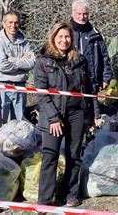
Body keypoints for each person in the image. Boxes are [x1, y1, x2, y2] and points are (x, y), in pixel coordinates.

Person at [35, 22, 99, 207]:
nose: (64, 40)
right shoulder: (43, 61)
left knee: (74, 155)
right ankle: (45, 200)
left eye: (67, 37)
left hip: (76, 113)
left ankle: (70, 193)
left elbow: (89, 88)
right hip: (52, 115)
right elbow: (41, 93)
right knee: (50, 156)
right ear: (53, 38)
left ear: (72, 39)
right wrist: (53, 118)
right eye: (60, 37)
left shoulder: (80, 60)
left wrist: (94, 113)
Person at [0, 11, 36, 123]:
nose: (13, 25)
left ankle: (18, 142)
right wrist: (22, 61)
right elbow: (2, 66)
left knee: (19, 123)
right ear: (3, 23)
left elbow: (33, 62)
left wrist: (13, 60)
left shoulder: (25, 42)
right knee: (1, 122)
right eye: (10, 22)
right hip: (3, 86)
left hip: (20, 87)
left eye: (16, 22)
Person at [70, 0, 112, 93]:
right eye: (79, 13)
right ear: (73, 13)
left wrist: (106, 78)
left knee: (94, 108)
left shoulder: (95, 34)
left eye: (85, 14)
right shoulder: (66, 33)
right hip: (70, 82)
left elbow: (105, 57)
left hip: (91, 82)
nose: (82, 17)